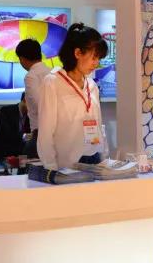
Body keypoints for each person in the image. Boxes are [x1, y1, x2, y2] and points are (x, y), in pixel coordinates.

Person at [37, 23, 109, 170]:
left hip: (95, 159)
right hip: (67, 166)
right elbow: (45, 133)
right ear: (77, 53)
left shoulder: (92, 85)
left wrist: (105, 159)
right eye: (94, 57)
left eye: (99, 58)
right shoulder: (52, 82)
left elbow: (99, 125)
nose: (96, 63)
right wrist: (51, 168)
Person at [16, 38, 51, 158]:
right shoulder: (52, 72)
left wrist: (25, 107)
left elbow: (38, 104)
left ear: (22, 59)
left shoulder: (31, 76)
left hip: (40, 132)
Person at [0, 94, 27, 162]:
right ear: (25, 100)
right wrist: (25, 136)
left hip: (20, 154)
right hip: (1, 154)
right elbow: (8, 134)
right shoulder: (6, 111)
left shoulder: (30, 116)